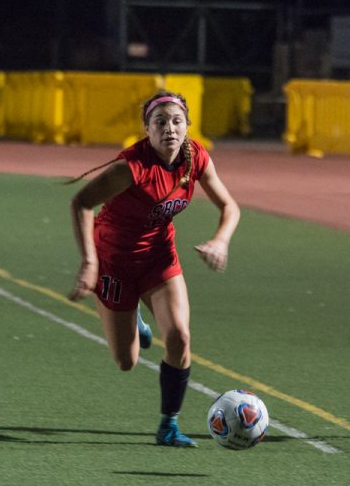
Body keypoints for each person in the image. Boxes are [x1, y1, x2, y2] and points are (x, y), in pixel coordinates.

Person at [68, 90, 241, 447]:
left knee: (179, 335)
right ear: (146, 129)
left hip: (159, 257)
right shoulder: (132, 167)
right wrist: (89, 263)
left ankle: (168, 425)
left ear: (188, 125)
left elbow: (230, 207)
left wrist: (220, 240)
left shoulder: (195, 158)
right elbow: (82, 203)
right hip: (114, 261)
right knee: (126, 361)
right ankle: (134, 317)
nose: (169, 129)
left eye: (177, 121)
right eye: (159, 122)